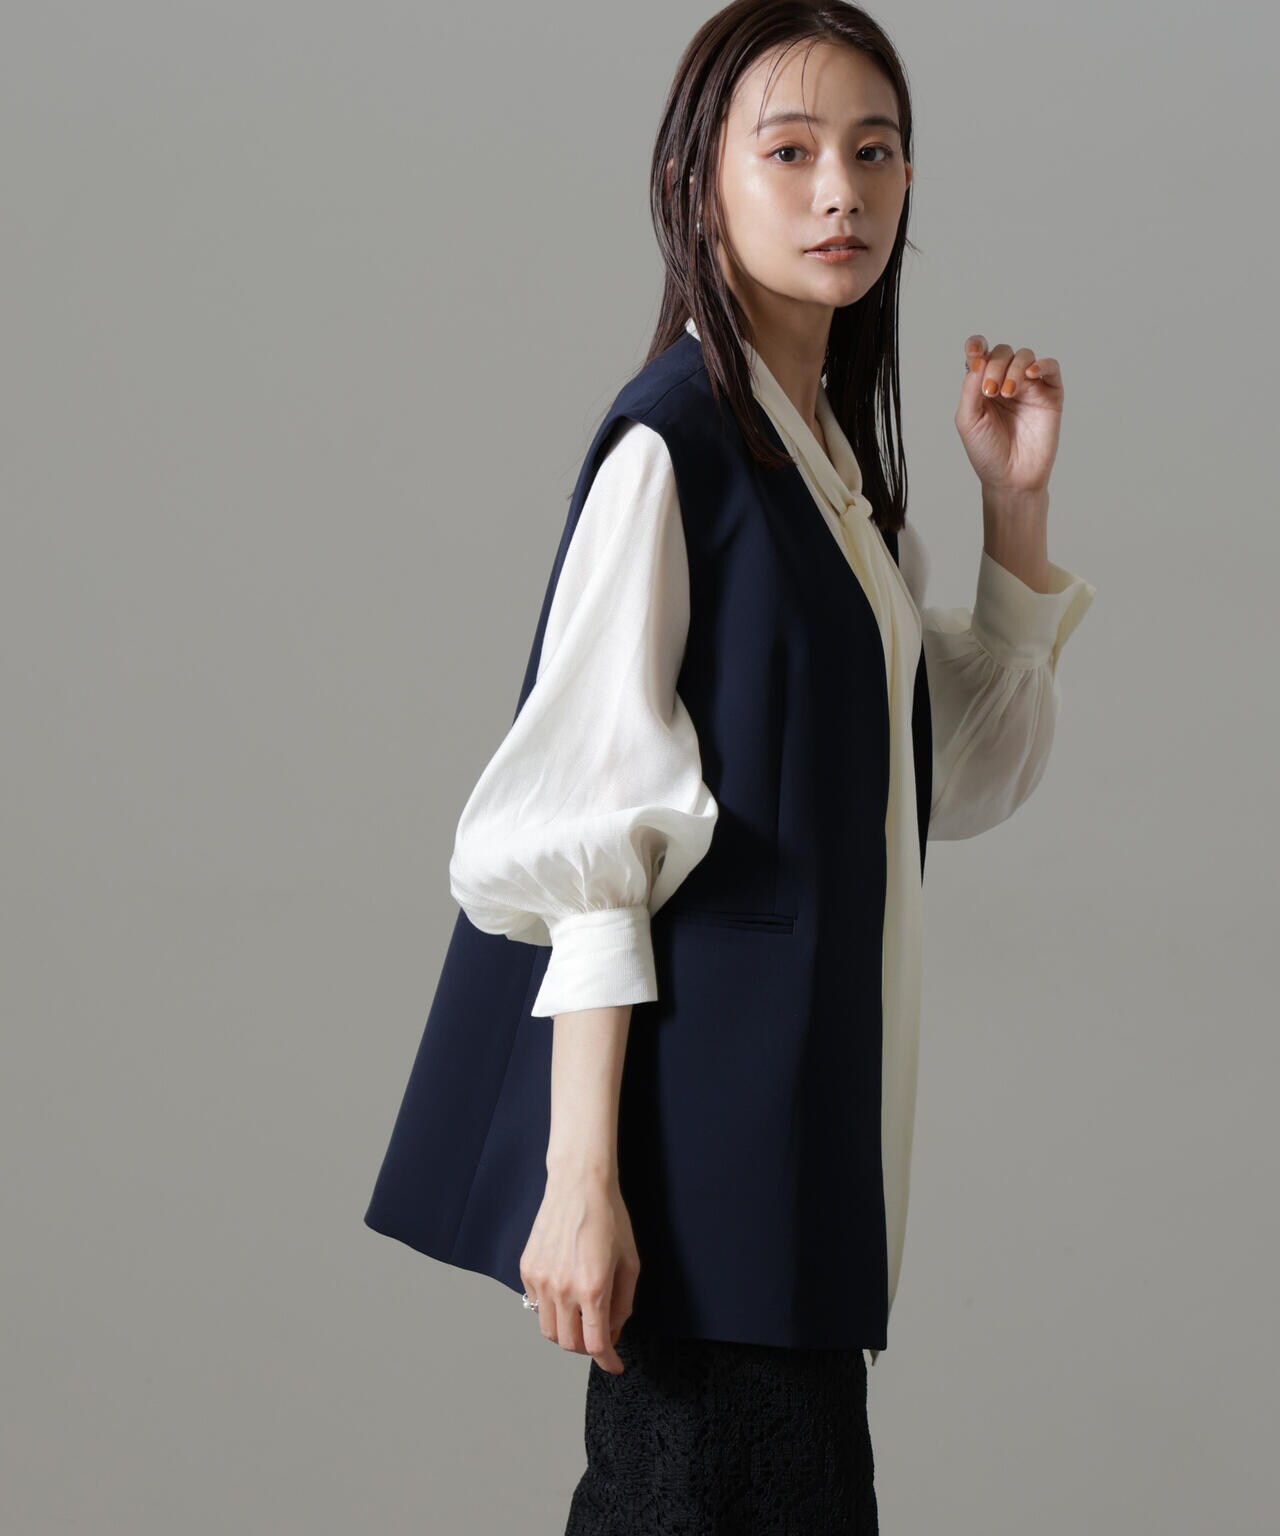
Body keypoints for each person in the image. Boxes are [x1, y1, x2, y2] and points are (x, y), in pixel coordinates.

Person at [364, 2, 1097, 1529]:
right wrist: (580, 1183)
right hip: (703, 1165)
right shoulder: (672, 452)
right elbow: (588, 838)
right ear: (697, 182)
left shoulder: (828, 471)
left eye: (875, 153)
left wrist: (1013, 518)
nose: (841, 192)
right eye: (791, 151)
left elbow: (948, 783)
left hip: (799, 1153)